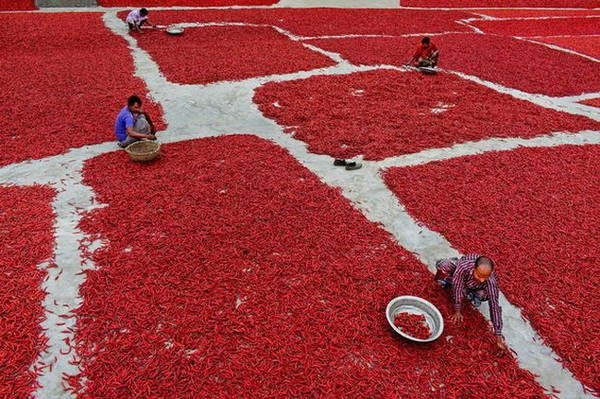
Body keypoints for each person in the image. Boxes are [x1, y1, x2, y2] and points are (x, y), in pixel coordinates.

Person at [434, 254, 507, 351]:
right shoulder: (464, 267)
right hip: (461, 276)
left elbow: (494, 306)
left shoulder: (491, 281)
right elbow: (458, 286)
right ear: (474, 268)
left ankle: (470, 294)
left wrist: (498, 336)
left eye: (485, 277)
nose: (482, 279)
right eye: (480, 275)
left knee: (483, 294)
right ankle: (450, 279)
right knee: (444, 266)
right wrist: (457, 310)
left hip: (475, 287)